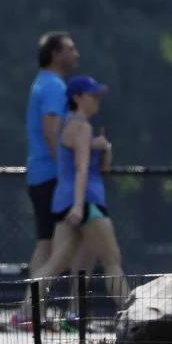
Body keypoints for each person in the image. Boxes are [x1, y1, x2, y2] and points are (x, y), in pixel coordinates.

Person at [31, 76, 128, 309]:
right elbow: (82, 168)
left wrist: (105, 147)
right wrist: (78, 205)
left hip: (66, 202)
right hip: (86, 202)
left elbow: (102, 165)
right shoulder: (81, 128)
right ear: (77, 97)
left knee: (58, 264)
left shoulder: (71, 127)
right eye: (92, 95)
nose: (97, 100)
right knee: (112, 259)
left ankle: (26, 313)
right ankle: (134, 315)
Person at [18, 32, 80, 327]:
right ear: (55, 53)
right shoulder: (54, 86)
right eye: (70, 48)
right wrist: (68, 173)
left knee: (46, 244)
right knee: (69, 244)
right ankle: (40, 310)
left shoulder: (41, 83)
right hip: (53, 176)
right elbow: (51, 130)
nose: (76, 54)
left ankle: (30, 312)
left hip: (39, 174)